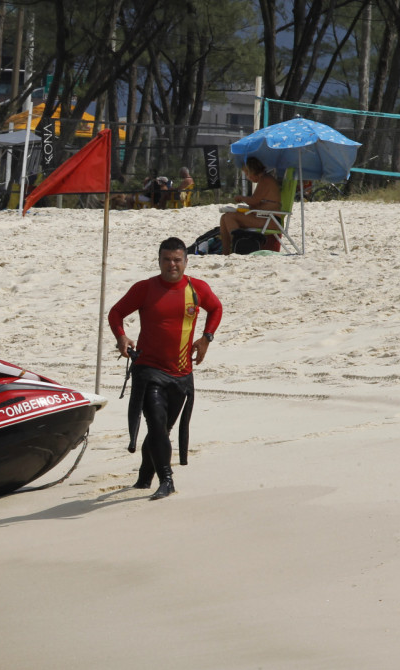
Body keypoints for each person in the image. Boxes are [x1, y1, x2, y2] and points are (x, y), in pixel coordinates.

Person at [108, 237, 222, 500]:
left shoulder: (197, 288)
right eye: (167, 259)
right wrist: (121, 337)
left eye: (177, 260)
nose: (172, 264)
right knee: (157, 424)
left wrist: (207, 337)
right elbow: (116, 313)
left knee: (163, 430)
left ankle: (145, 475)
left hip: (182, 373)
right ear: (159, 261)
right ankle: (166, 479)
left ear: (185, 261)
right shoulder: (145, 288)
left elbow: (216, 309)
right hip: (149, 370)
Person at [219, 156, 280, 254]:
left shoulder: (265, 180)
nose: (247, 177)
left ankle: (238, 247)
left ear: (253, 171)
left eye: (247, 173)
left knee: (229, 217)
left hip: (271, 220)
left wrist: (241, 198)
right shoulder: (265, 179)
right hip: (266, 217)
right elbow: (258, 202)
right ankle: (226, 252)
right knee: (224, 218)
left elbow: (254, 201)